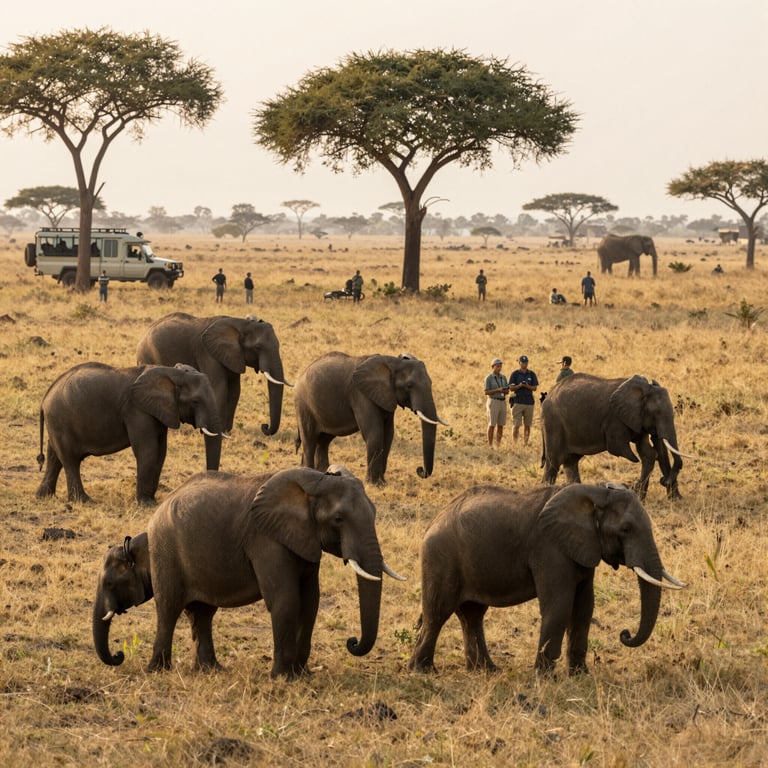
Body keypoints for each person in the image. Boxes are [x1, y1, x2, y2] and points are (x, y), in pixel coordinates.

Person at [509, 355, 538, 445]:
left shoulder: (531, 374)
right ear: (519, 363)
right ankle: (515, 443)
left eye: (526, 362)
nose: (524, 364)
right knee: (516, 424)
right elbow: (511, 387)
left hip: (529, 402)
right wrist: (519, 386)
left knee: (527, 425)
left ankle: (525, 443)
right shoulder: (515, 374)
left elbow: (535, 388)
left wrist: (527, 386)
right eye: (522, 362)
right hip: (518, 401)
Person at [484, 358, 509, 447]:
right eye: (497, 366)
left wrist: (504, 390)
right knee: (492, 424)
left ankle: (498, 444)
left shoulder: (503, 377)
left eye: (500, 366)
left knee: (501, 424)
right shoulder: (489, 378)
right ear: (493, 367)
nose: (499, 368)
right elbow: (486, 392)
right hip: (493, 401)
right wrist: (497, 390)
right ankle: (490, 445)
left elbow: (507, 390)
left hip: (502, 401)